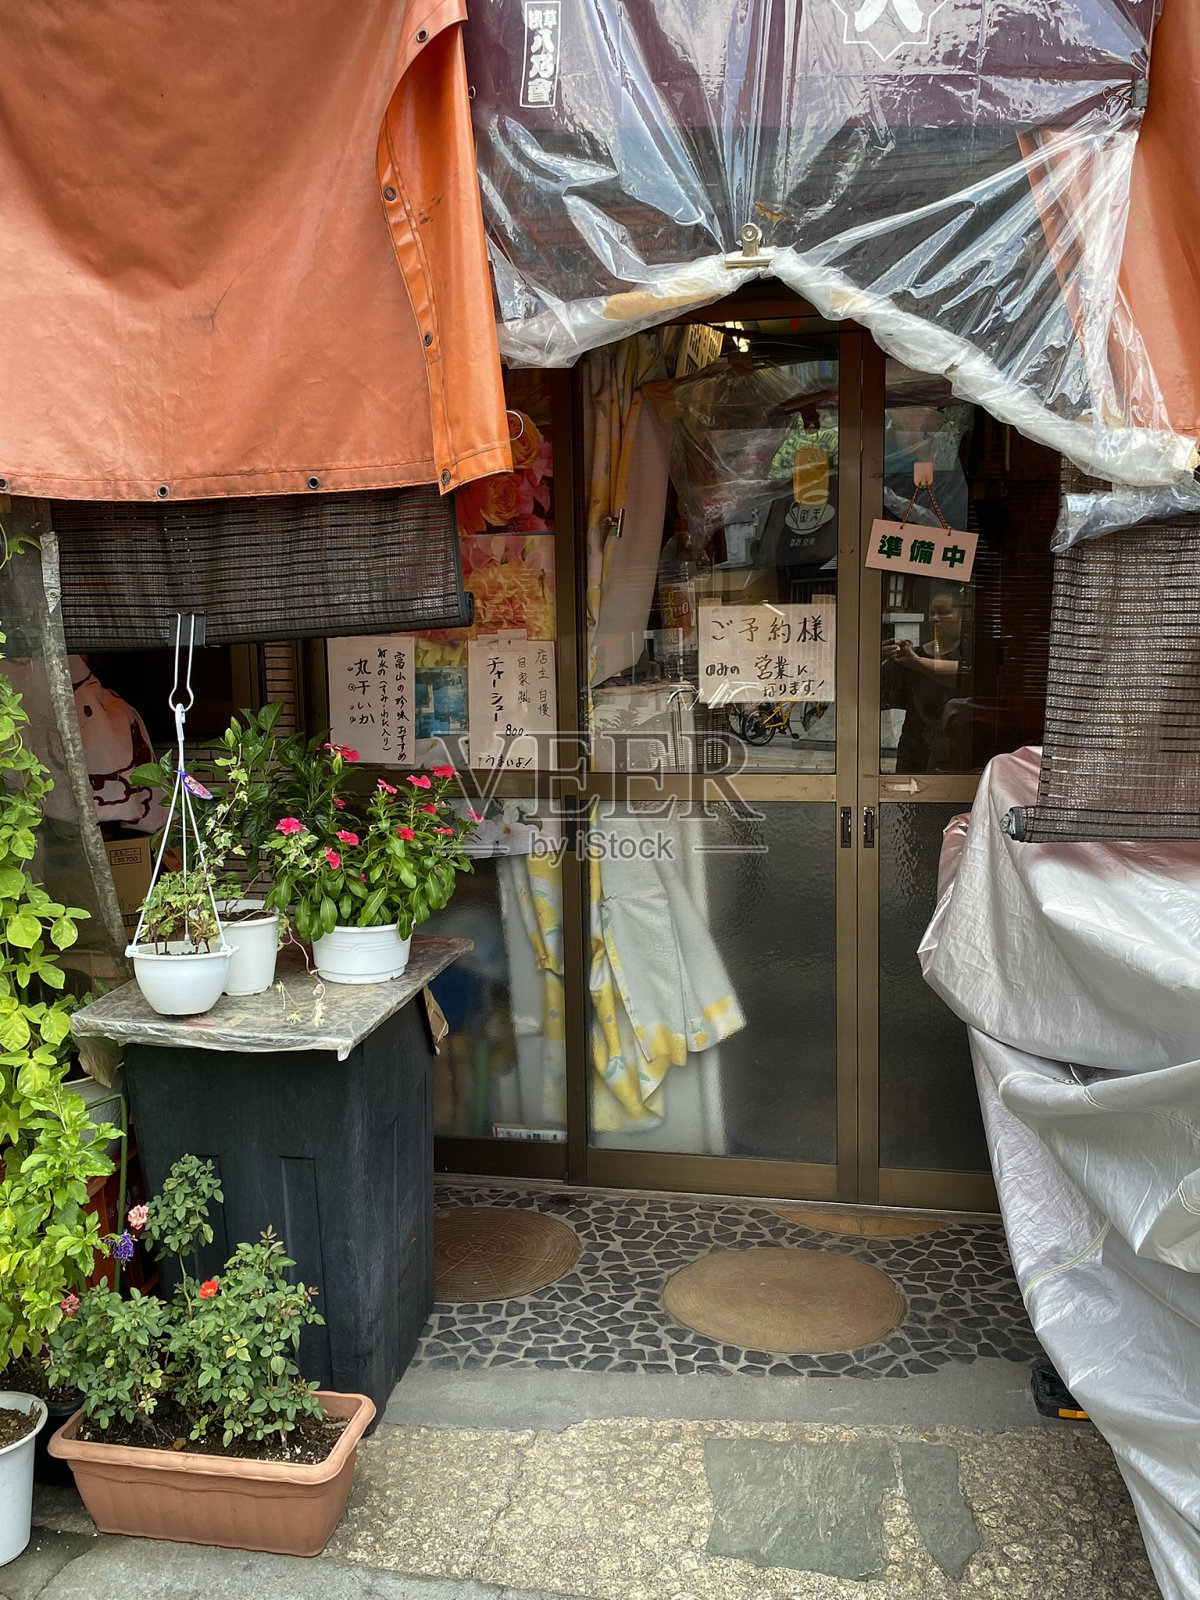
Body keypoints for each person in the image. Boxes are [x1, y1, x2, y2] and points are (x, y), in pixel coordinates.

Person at [881, 589, 966, 772]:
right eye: (932, 613)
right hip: (916, 754)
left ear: (962, 617)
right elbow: (883, 695)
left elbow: (966, 676)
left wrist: (917, 663)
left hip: (959, 755)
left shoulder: (968, 655)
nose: (935, 618)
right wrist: (880, 659)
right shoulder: (914, 655)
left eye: (943, 613)